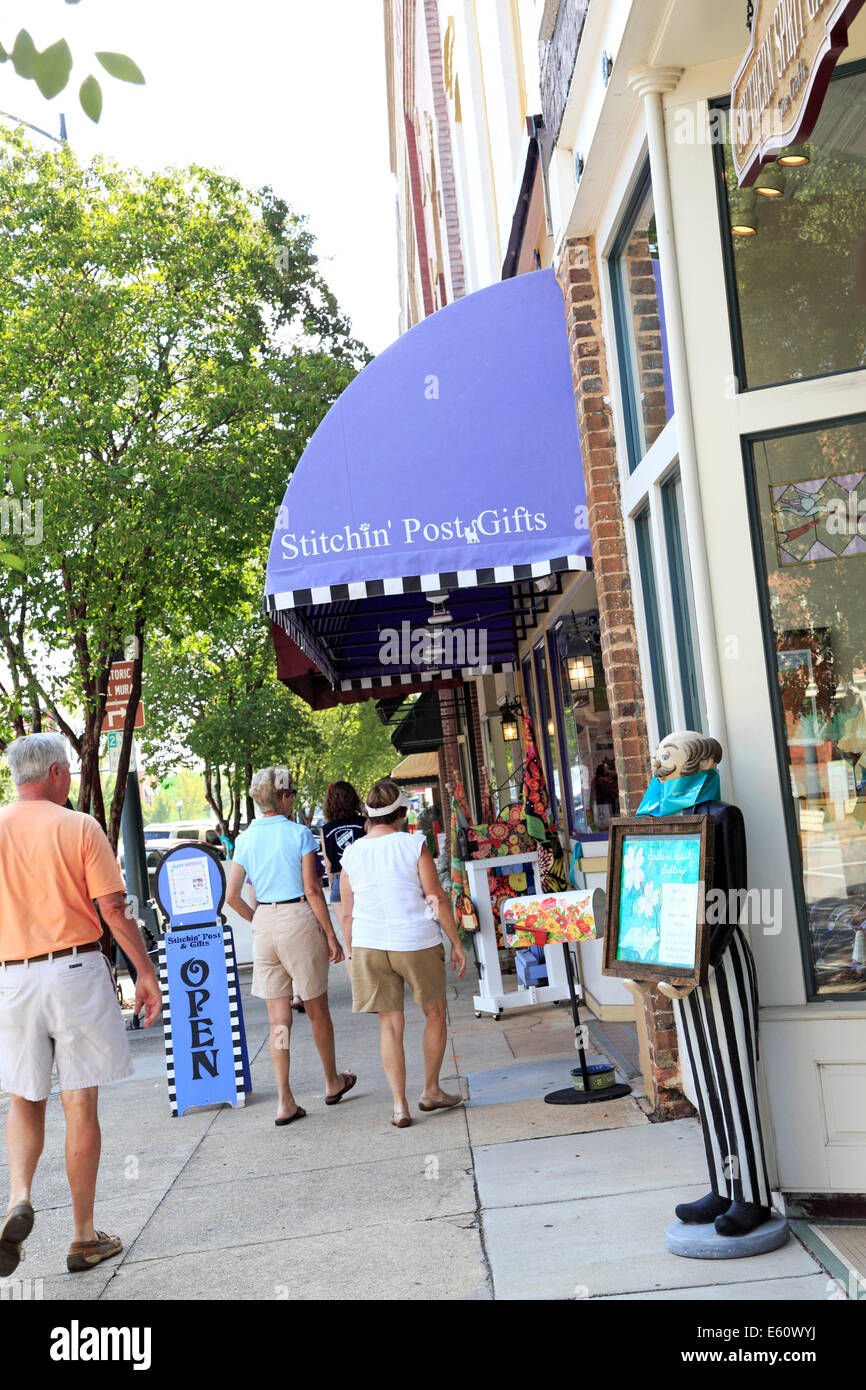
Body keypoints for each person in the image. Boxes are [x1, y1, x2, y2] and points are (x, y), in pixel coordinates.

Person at [0, 734, 162, 1279]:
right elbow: (114, 910)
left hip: (14, 977)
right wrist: (144, 972)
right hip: (74, 969)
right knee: (79, 1104)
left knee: (24, 1095)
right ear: (51, 775)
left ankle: (19, 1197)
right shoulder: (79, 827)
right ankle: (83, 1236)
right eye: (66, 771)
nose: (69, 778)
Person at [225, 767, 355, 1126]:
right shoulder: (299, 834)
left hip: (264, 922)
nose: (293, 799)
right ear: (283, 798)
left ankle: (285, 1099)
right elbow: (312, 889)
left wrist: (260, 921)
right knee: (317, 1009)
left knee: (278, 1020)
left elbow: (232, 896)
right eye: (291, 794)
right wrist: (331, 935)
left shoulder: (246, 839)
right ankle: (331, 1081)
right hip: (298, 918)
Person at [340, 778, 467, 1129]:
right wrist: (456, 943)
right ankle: (430, 1090)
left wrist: (352, 952)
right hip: (415, 940)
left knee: (389, 1025)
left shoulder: (351, 852)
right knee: (434, 1013)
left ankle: (399, 1106)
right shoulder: (413, 844)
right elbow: (436, 898)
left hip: (369, 943)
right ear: (400, 812)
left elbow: (348, 912)